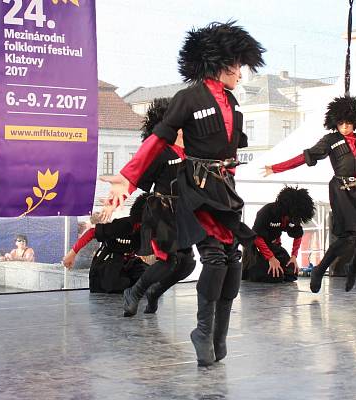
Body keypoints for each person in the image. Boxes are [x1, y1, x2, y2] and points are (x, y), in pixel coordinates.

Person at [101, 21, 265, 366]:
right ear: (220, 63)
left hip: (225, 188)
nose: (240, 71)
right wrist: (128, 180)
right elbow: (157, 139)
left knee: (232, 259)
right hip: (196, 186)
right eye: (236, 64)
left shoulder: (233, 103)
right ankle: (203, 332)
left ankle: (217, 334)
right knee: (214, 258)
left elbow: (232, 150)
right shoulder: (187, 98)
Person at [264, 95, 356, 293]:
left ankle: (353, 270)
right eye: (341, 123)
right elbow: (306, 156)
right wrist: (276, 168)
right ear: (335, 122)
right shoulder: (330, 140)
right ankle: (320, 269)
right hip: (341, 191)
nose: (344, 126)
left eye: (349, 123)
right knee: (348, 237)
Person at [119, 98, 197, 317]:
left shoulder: (190, 152)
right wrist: (118, 196)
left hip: (183, 213)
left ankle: (154, 292)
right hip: (162, 212)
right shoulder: (160, 151)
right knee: (169, 260)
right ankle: (134, 293)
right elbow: (136, 179)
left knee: (187, 264)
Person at [63, 195, 149, 294]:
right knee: (119, 284)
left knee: (151, 278)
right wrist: (72, 253)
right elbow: (92, 232)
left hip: (129, 262)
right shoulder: (124, 225)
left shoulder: (149, 230)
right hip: (108, 262)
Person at [243, 186, 315, 283]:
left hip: (274, 247)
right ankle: (248, 268)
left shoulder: (293, 217)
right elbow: (257, 237)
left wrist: (294, 256)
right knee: (273, 276)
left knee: (291, 274)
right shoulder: (266, 212)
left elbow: (298, 234)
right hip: (257, 248)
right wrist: (271, 258)